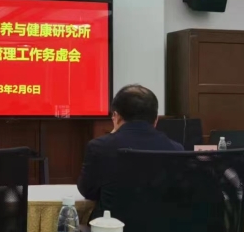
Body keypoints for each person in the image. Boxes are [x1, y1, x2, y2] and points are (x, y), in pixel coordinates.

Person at [77, 84, 182, 215]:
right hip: (163, 226)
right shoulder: (176, 149)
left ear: (116, 116)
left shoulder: (99, 147)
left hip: (112, 226)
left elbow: (87, 191)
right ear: (156, 120)